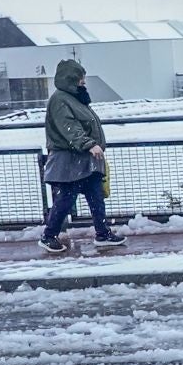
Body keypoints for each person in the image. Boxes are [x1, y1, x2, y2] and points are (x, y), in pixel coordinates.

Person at [41, 58, 123, 253]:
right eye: (80, 78)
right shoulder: (61, 100)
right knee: (66, 199)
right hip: (70, 160)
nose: (83, 81)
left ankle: (102, 233)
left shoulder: (74, 98)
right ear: (71, 79)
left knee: (95, 195)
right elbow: (69, 127)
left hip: (84, 159)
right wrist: (90, 144)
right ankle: (49, 235)